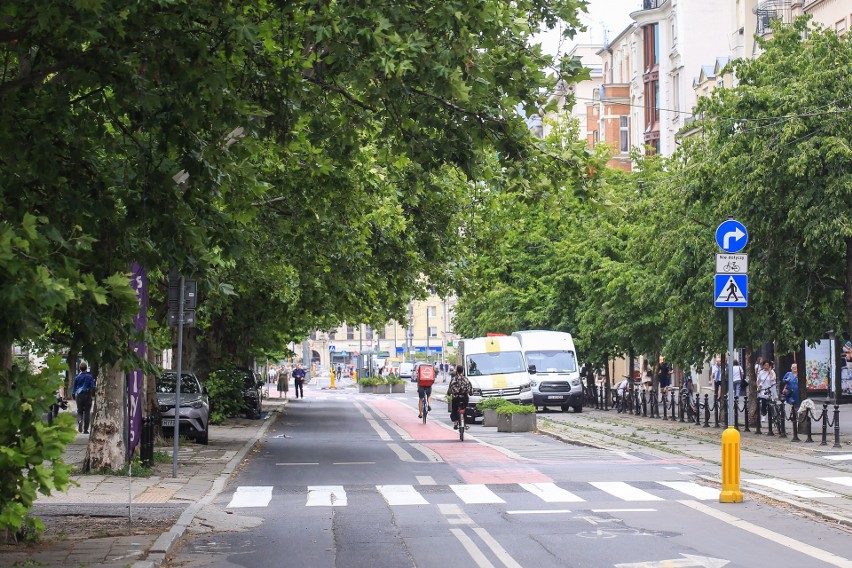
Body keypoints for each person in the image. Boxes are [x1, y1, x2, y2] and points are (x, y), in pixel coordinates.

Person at [71, 363, 95, 434]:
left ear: (80, 369)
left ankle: (80, 421)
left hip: (79, 396)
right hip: (87, 395)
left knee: (79, 411)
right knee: (87, 413)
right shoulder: (89, 377)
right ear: (86, 368)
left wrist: (73, 395)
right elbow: (92, 387)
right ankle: (85, 430)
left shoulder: (77, 377)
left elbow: (74, 388)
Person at [448, 365, 473, 429]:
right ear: (463, 371)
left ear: (456, 371)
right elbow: (470, 389)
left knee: (454, 409)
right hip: (464, 398)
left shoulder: (454, 379)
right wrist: (470, 393)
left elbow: (450, 388)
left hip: (456, 398)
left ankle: (455, 421)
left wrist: (449, 393)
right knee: (464, 409)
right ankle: (464, 424)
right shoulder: (466, 379)